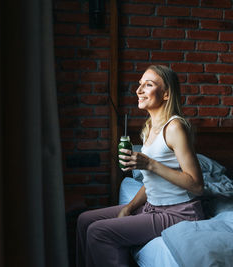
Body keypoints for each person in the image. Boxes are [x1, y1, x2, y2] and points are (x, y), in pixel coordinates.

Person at [76, 65, 205, 267]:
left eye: (148, 85)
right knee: (84, 220)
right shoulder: (149, 128)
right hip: (152, 207)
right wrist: (129, 207)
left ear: (166, 94)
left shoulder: (175, 127)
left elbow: (197, 185)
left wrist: (150, 164)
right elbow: (152, 182)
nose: (139, 90)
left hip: (179, 212)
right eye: (139, 85)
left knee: (98, 232)